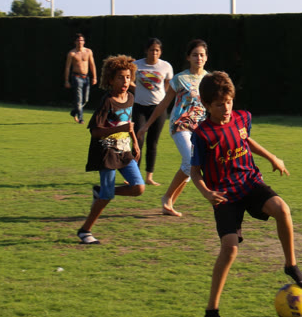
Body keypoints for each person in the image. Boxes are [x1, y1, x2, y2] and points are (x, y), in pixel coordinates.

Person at [189, 71, 302, 317]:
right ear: (207, 105)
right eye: (219, 104)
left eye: (229, 102)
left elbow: (245, 139)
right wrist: (206, 193)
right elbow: (194, 171)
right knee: (230, 249)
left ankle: (291, 265)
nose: (226, 108)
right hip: (224, 195)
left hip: (249, 183)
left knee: (282, 209)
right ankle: (212, 312)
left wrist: (272, 157)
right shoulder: (202, 135)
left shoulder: (242, 118)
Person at [77, 54, 145, 245]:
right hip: (106, 151)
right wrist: (119, 129)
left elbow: (128, 124)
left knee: (138, 188)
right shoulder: (107, 101)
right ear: (110, 80)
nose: (125, 81)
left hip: (124, 150)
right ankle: (85, 231)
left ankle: (101, 191)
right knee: (107, 196)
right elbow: (95, 131)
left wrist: (135, 142)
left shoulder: (130, 97)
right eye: (120, 78)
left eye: (128, 77)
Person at [137, 38, 208, 217]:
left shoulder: (210, 79)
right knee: (190, 162)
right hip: (180, 125)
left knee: (190, 168)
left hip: (200, 129)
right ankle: (167, 198)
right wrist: (147, 125)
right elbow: (163, 104)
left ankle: (168, 202)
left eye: (202, 55)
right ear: (188, 57)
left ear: (206, 57)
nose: (198, 58)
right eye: (195, 55)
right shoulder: (179, 79)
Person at [132, 38, 174, 186]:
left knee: (153, 143)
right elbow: (129, 80)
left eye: (157, 50)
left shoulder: (166, 66)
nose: (154, 53)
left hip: (158, 109)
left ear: (160, 52)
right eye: (151, 50)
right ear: (146, 51)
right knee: (138, 140)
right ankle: (134, 175)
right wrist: (137, 90)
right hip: (139, 107)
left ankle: (149, 177)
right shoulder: (136, 65)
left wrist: (161, 97)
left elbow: (167, 84)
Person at [63, 33, 97, 124]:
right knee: (79, 99)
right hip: (76, 77)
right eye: (78, 40)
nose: (80, 42)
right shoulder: (72, 53)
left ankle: (74, 111)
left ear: (84, 42)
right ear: (75, 42)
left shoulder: (88, 51)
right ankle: (80, 118)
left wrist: (94, 77)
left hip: (86, 78)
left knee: (85, 99)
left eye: (81, 40)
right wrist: (66, 80)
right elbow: (67, 67)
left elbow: (92, 64)